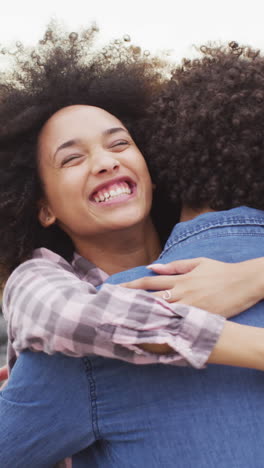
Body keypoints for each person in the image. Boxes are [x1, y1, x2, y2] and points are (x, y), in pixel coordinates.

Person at [1, 28, 264, 467]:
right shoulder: (43, 288)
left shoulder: (227, 264)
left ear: (154, 167)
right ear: (42, 206)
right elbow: (77, 319)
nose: (105, 161)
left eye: (120, 142)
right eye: (72, 158)